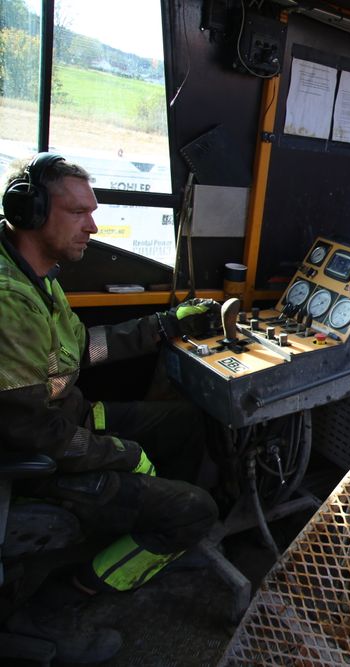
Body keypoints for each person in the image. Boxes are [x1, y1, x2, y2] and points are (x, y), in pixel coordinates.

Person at [0, 153, 221, 662]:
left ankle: (159, 532)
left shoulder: (40, 277)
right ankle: (48, 613)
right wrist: (119, 452)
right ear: (30, 213)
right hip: (36, 460)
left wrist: (166, 326)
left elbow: (84, 350)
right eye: (78, 213)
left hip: (65, 420)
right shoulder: (9, 299)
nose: (93, 227)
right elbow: (29, 432)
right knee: (198, 511)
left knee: (187, 424)